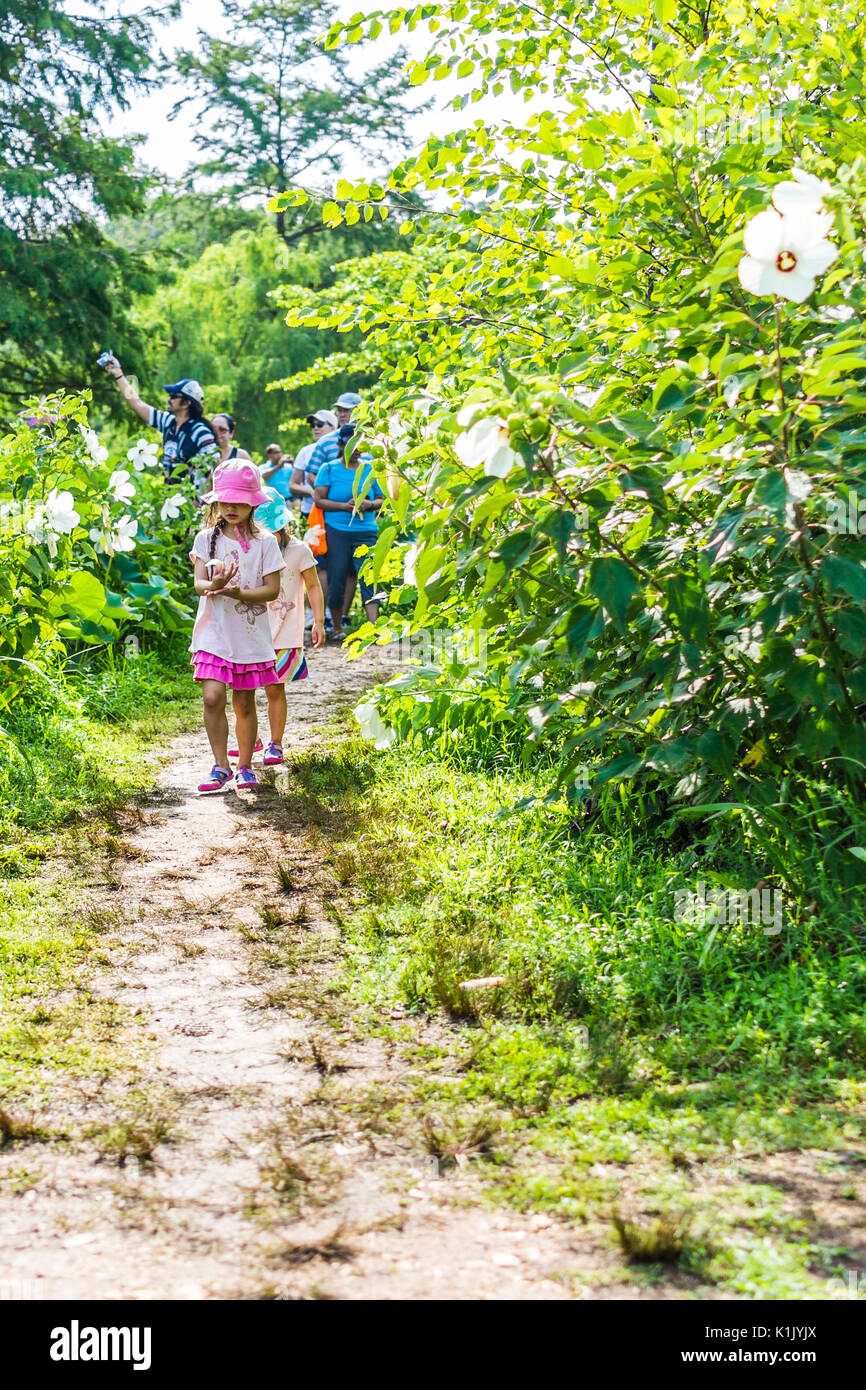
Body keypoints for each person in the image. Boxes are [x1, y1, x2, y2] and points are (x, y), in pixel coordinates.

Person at [189, 461, 284, 794]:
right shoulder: (205, 539)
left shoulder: (266, 542)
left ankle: (244, 766)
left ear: (253, 503)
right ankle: (221, 765)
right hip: (213, 631)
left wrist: (238, 592)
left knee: (243, 702)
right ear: (216, 502)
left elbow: (271, 589)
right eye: (225, 500)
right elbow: (199, 584)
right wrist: (213, 585)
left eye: (239, 501)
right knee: (212, 697)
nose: (231, 507)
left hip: (248, 635)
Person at [226, 488, 325, 767]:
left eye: (273, 530)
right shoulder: (248, 547)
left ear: (283, 525)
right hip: (250, 631)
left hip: (285, 632)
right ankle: (252, 739)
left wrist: (317, 622)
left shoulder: (298, 550)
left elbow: (314, 586)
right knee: (243, 691)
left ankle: (276, 743)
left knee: (274, 689)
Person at [101, 356, 218, 489]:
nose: (169, 399)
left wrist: (203, 497)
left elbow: (215, 466)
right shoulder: (168, 422)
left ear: (186, 403)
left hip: (193, 499)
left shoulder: (200, 431)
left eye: (174, 396)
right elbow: (136, 404)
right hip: (170, 495)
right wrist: (118, 374)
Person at [313, 423, 384, 642]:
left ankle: (374, 628)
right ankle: (337, 627)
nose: (356, 449)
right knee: (337, 578)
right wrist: (345, 506)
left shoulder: (370, 469)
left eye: (359, 444)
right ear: (341, 444)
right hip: (337, 530)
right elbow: (319, 500)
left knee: (369, 578)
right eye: (350, 444)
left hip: (366, 530)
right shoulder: (329, 469)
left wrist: (367, 505)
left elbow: (381, 499)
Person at [290, 409, 337, 628]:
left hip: (337, 513)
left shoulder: (340, 447)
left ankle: (332, 613)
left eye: (321, 424)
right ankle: (314, 612)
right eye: (313, 425)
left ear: (333, 427)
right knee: (316, 564)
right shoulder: (306, 451)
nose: (316, 428)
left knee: (338, 566)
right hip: (311, 514)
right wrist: (313, 493)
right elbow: (294, 483)